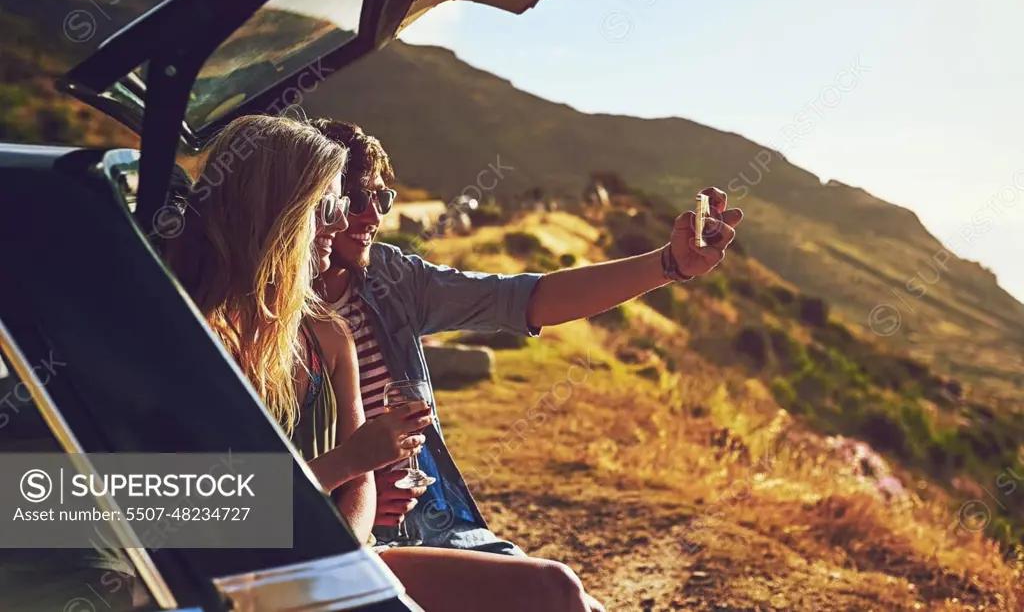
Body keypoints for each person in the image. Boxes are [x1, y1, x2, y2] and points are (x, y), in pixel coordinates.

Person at [163, 114, 604, 612]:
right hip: (252, 578)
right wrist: (350, 461)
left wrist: (351, 564)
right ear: (275, 211)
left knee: (559, 588)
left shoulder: (328, 334)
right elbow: (201, 513)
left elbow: (361, 487)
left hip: (345, 555)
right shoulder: (192, 342)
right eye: (327, 205)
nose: (342, 221)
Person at [307, 119, 743, 559]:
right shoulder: (256, 329)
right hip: (330, 552)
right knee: (556, 591)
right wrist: (351, 491)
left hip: (433, 525)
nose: (373, 215)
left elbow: (526, 300)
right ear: (306, 202)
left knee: (572, 599)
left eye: (382, 198)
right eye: (356, 197)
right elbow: (240, 509)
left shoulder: (389, 277)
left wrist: (669, 264)